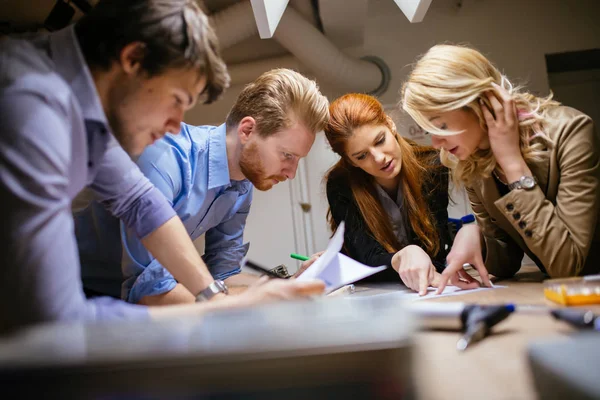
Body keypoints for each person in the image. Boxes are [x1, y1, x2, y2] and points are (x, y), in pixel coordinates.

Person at [0, 0, 323, 334]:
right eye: (178, 101)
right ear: (133, 60)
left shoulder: (83, 105)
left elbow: (139, 201)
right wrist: (224, 308)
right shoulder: (31, 107)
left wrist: (214, 297)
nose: (176, 125)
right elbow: (57, 321)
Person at [75, 68, 330, 305]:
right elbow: (149, 291)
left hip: (123, 299)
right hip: (75, 288)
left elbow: (224, 275)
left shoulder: (241, 187)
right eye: (287, 155)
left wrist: (292, 285)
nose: (291, 172)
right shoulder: (166, 159)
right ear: (247, 130)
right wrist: (249, 300)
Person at [401, 44, 600, 293]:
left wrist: (512, 163)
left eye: (440, 125)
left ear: (479, 103)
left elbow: (568, 267)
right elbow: (507, 261)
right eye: (430, 131)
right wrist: (476, 237)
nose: (436, 143)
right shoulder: (468, 157)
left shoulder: (571, 131)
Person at [322, 93, 486, 296]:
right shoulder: (340, 184)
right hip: (374, 294)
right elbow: (364, 259)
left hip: (429, 288)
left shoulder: (432, 165)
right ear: (350, 161)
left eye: (380, 140)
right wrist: (399, 258)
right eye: (362, 156)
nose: (379, 158)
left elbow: (435, 247)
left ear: (390, 125)